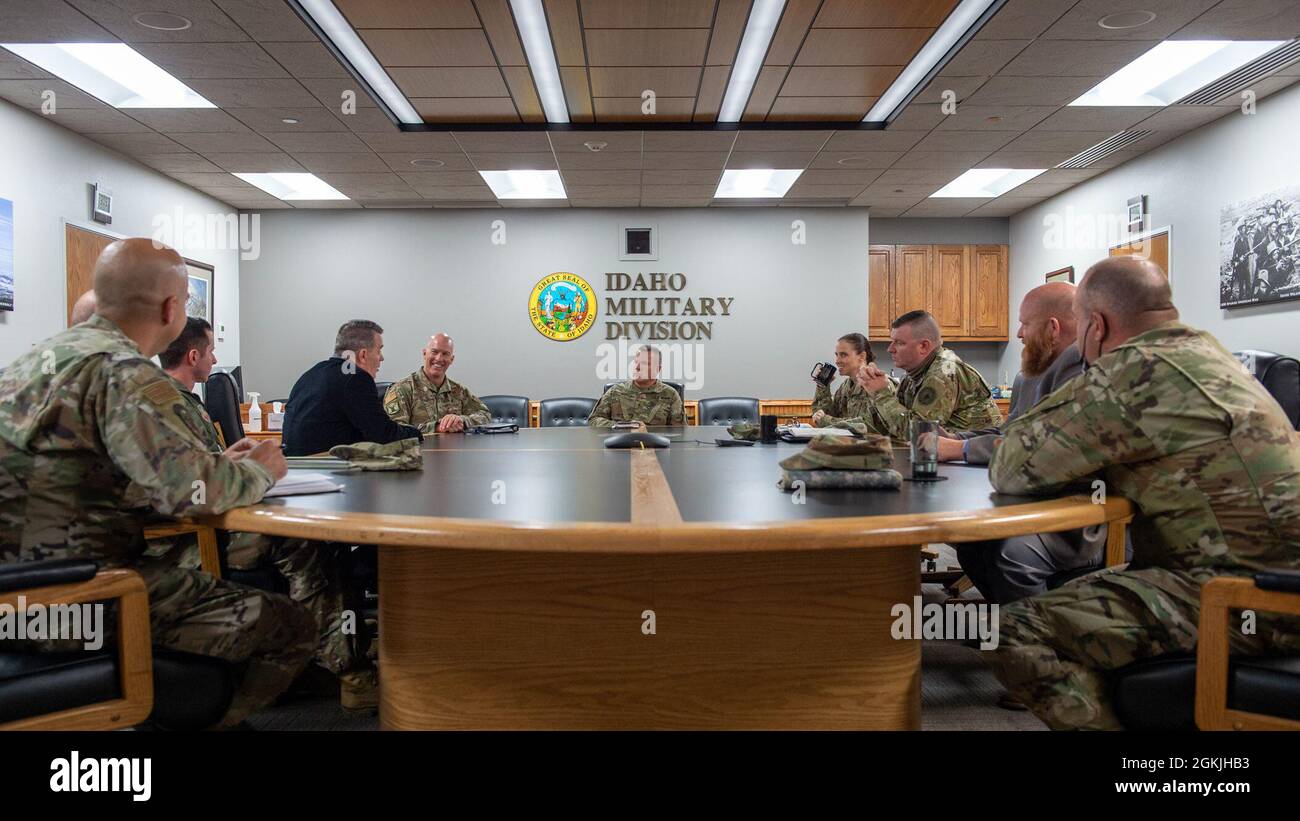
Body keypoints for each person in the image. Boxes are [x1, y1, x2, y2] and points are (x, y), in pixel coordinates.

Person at [0, 238, 315, 729]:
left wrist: (207, 463)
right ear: (171, 309)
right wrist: (260, 469)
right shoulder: (120, 374)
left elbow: (77, 479)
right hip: (81, 599)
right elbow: (187, 492)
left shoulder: (33, 362)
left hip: (17, 600)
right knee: (290, 625)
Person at [985, 256, 1300, 730]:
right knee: (1081, 591)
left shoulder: (1134, 373)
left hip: (1243, 599)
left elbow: (1011, 465)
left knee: (1013, 629)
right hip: (1275, 583)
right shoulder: (1211, 353)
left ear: (1096, 327)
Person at [152, 317, 377, 710]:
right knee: (304, 538)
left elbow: (191, 470)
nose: (216, 356)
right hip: (191, 538)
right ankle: (348, 670)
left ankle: (326, 645)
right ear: (193, 356)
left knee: (316, 534)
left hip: (214, 518)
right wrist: (250, 472)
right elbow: (181, 490)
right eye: (210, 350)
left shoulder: (181, 400)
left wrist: (225, 459)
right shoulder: (164, 404)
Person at [937, 283, 1110, 604]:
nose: (1018, 333)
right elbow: (1010, 433)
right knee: (971, 542)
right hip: (1030, 501)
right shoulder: (1029, 374)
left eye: (1025, 323)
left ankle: (1039, 639)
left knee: (1011, 554)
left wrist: (959, 450)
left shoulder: (1080, 370)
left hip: (1075, 517)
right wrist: (954, 439)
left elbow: (1044, 447)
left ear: (1053, 328)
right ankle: (1011, 623)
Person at [281, 319, 421, 456]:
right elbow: (384, 434)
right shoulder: (356, 379)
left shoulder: (311, 374)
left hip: (294, 468)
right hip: (328, 470)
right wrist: (416, 433)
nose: (381, 358)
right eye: (379, 351)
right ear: (363, 355)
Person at [854, 310, 1002, 439]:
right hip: (948, 458)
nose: (890, 349)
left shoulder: (944, 371)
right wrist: (871, 386)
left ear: (923, 346)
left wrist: (881, 393)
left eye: (899, 343)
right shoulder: (913, 375)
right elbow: (889, 426)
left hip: (975, 462)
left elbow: (920, 433)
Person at [383, 333, 491, 433]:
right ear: (425, 354)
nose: (439, 358)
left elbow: (485, 415)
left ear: (451, 359)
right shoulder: (401, 390)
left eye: (445, 354)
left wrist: (462, 421)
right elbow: (394, 430)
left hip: (454, 452)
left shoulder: (459, 391)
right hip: (418, 452)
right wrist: (436, 427)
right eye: (434, 352)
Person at [810, 332, 892, 431]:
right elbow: (824, 416)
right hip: (850, 444)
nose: (837, 361)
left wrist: (827, 421)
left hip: (878, 445)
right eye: (837, 355)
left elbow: (868, 426)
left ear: (862, 356)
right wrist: (822, 387)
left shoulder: (878, 383)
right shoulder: (845, 387)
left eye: (843, 355)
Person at [588, 346, 685, 427]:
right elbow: (594, 421)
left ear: (658, 369)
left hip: (656, 446)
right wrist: (623, 427)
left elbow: (680, 431)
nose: (637, 367)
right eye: (635, 362)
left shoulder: (670, 394)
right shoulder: (616, 391)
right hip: (619, 445)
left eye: (644, 363)